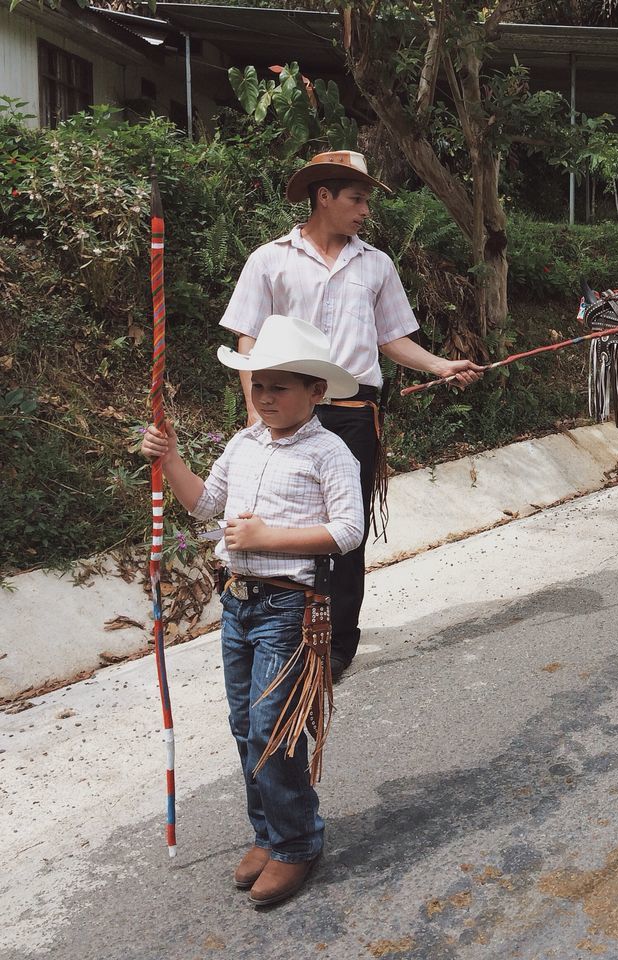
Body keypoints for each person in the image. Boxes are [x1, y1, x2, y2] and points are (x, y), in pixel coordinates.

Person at [220, 151, 484, 682]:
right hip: (284, 411)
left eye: (366, 200)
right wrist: (256, 413)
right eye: (357, 199)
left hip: (355, 414)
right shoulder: (269, 260)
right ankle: (282, 627)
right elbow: (248, 338)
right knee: (284, 521)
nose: (365, 210)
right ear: (324, 196)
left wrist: (440, 365)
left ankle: (338, 642)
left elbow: (392, 338)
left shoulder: (376, 265)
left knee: (345, 530)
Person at [140, 315, 364, 907]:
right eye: (257, 385)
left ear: (316, 391)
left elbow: (347, 531)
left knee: (274, 730)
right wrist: (170, 460)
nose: (265, 398)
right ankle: (267, 832)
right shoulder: (241, 445)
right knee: (244, 723)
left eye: (280, 386)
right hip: (238, 602)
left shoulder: (329, 451)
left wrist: (268, 537)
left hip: (291, 609)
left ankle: (297, 841)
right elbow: (205, 505)